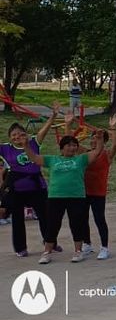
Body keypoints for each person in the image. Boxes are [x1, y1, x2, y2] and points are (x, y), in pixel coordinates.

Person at [25, 114, 113, 264]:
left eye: (74, 145)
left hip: (76, 196)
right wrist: (26, 145)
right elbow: (34, 158)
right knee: (53, 225)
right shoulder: (53, 159)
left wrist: (99, 139)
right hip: (55, 197)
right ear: (62, 148)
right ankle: (47, 252)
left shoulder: (81, 159)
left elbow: (97, 152)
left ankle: (78, 251)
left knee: (76, 223)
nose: (72, 147)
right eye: (69, 145)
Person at [1, 108, 55, 257]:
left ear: (26, 134)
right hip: (17, 188)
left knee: (45, 216)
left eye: (20, 133)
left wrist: (53, 116)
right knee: (18, 219)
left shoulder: (34, 143)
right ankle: (20, 248)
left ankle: (50, 242)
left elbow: (45, 129)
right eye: (14, 135)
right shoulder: (5, 149)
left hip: (37, 186)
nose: (17, 136)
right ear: (10, 137)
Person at [79, 114, 116, 260]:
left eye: (97, 138)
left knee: (99, 219)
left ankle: (104, 247)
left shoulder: (107, 155)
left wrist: (112, 128)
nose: (93, 140)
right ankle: (87, 244)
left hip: (98, 192)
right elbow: (69, 143)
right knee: (82, 218)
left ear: (103, 141)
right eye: (93, 138)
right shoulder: (84, 153)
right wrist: (68, 124)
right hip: (83, 191)